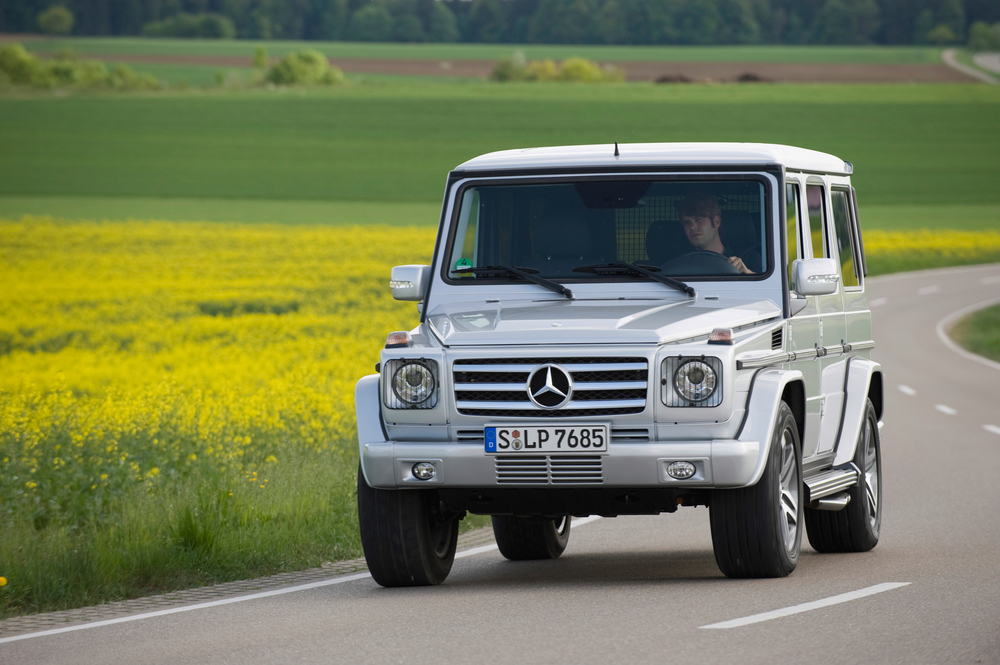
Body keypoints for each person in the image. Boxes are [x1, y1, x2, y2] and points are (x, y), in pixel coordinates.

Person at [677, 194, 759, 274]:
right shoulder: (681, 264)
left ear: (716, 222)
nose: (692, 227)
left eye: (699, 219)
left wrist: (747, 274)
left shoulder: (748, 259)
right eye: (687, 223)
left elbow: (765, 285)